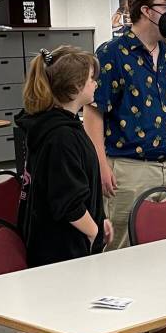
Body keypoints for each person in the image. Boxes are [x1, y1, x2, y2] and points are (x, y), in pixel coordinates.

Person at [84, 0, 166, 252]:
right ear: (145, 11)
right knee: (124, 244)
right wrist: (101, 165)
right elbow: (93, 113)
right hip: (130, 168)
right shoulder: (111, 54)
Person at [15, 46, 112, 265]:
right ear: (75, 87)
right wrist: (92, 231)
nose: (95, 83)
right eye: (90, 79)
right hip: (62, 250)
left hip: (67, 241)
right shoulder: (60, 136)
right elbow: (68, 201)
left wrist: (98, 218)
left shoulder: (59, 126)